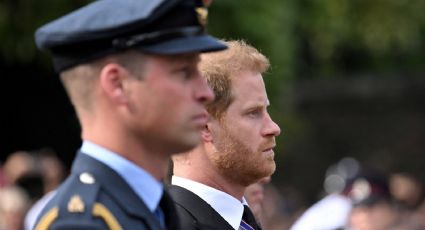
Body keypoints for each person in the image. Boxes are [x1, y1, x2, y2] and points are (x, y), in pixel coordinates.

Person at [33, 0, 227, 229]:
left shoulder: (152, 206)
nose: (206, 93)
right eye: (184, 72)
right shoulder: (84, 223)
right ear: (118, 85)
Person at [169, 40, 281, 230]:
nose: (273, 127)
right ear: (204, 126)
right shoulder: (172, 224)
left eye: (266, 111)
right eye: (253, 113)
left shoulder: (244, 221)